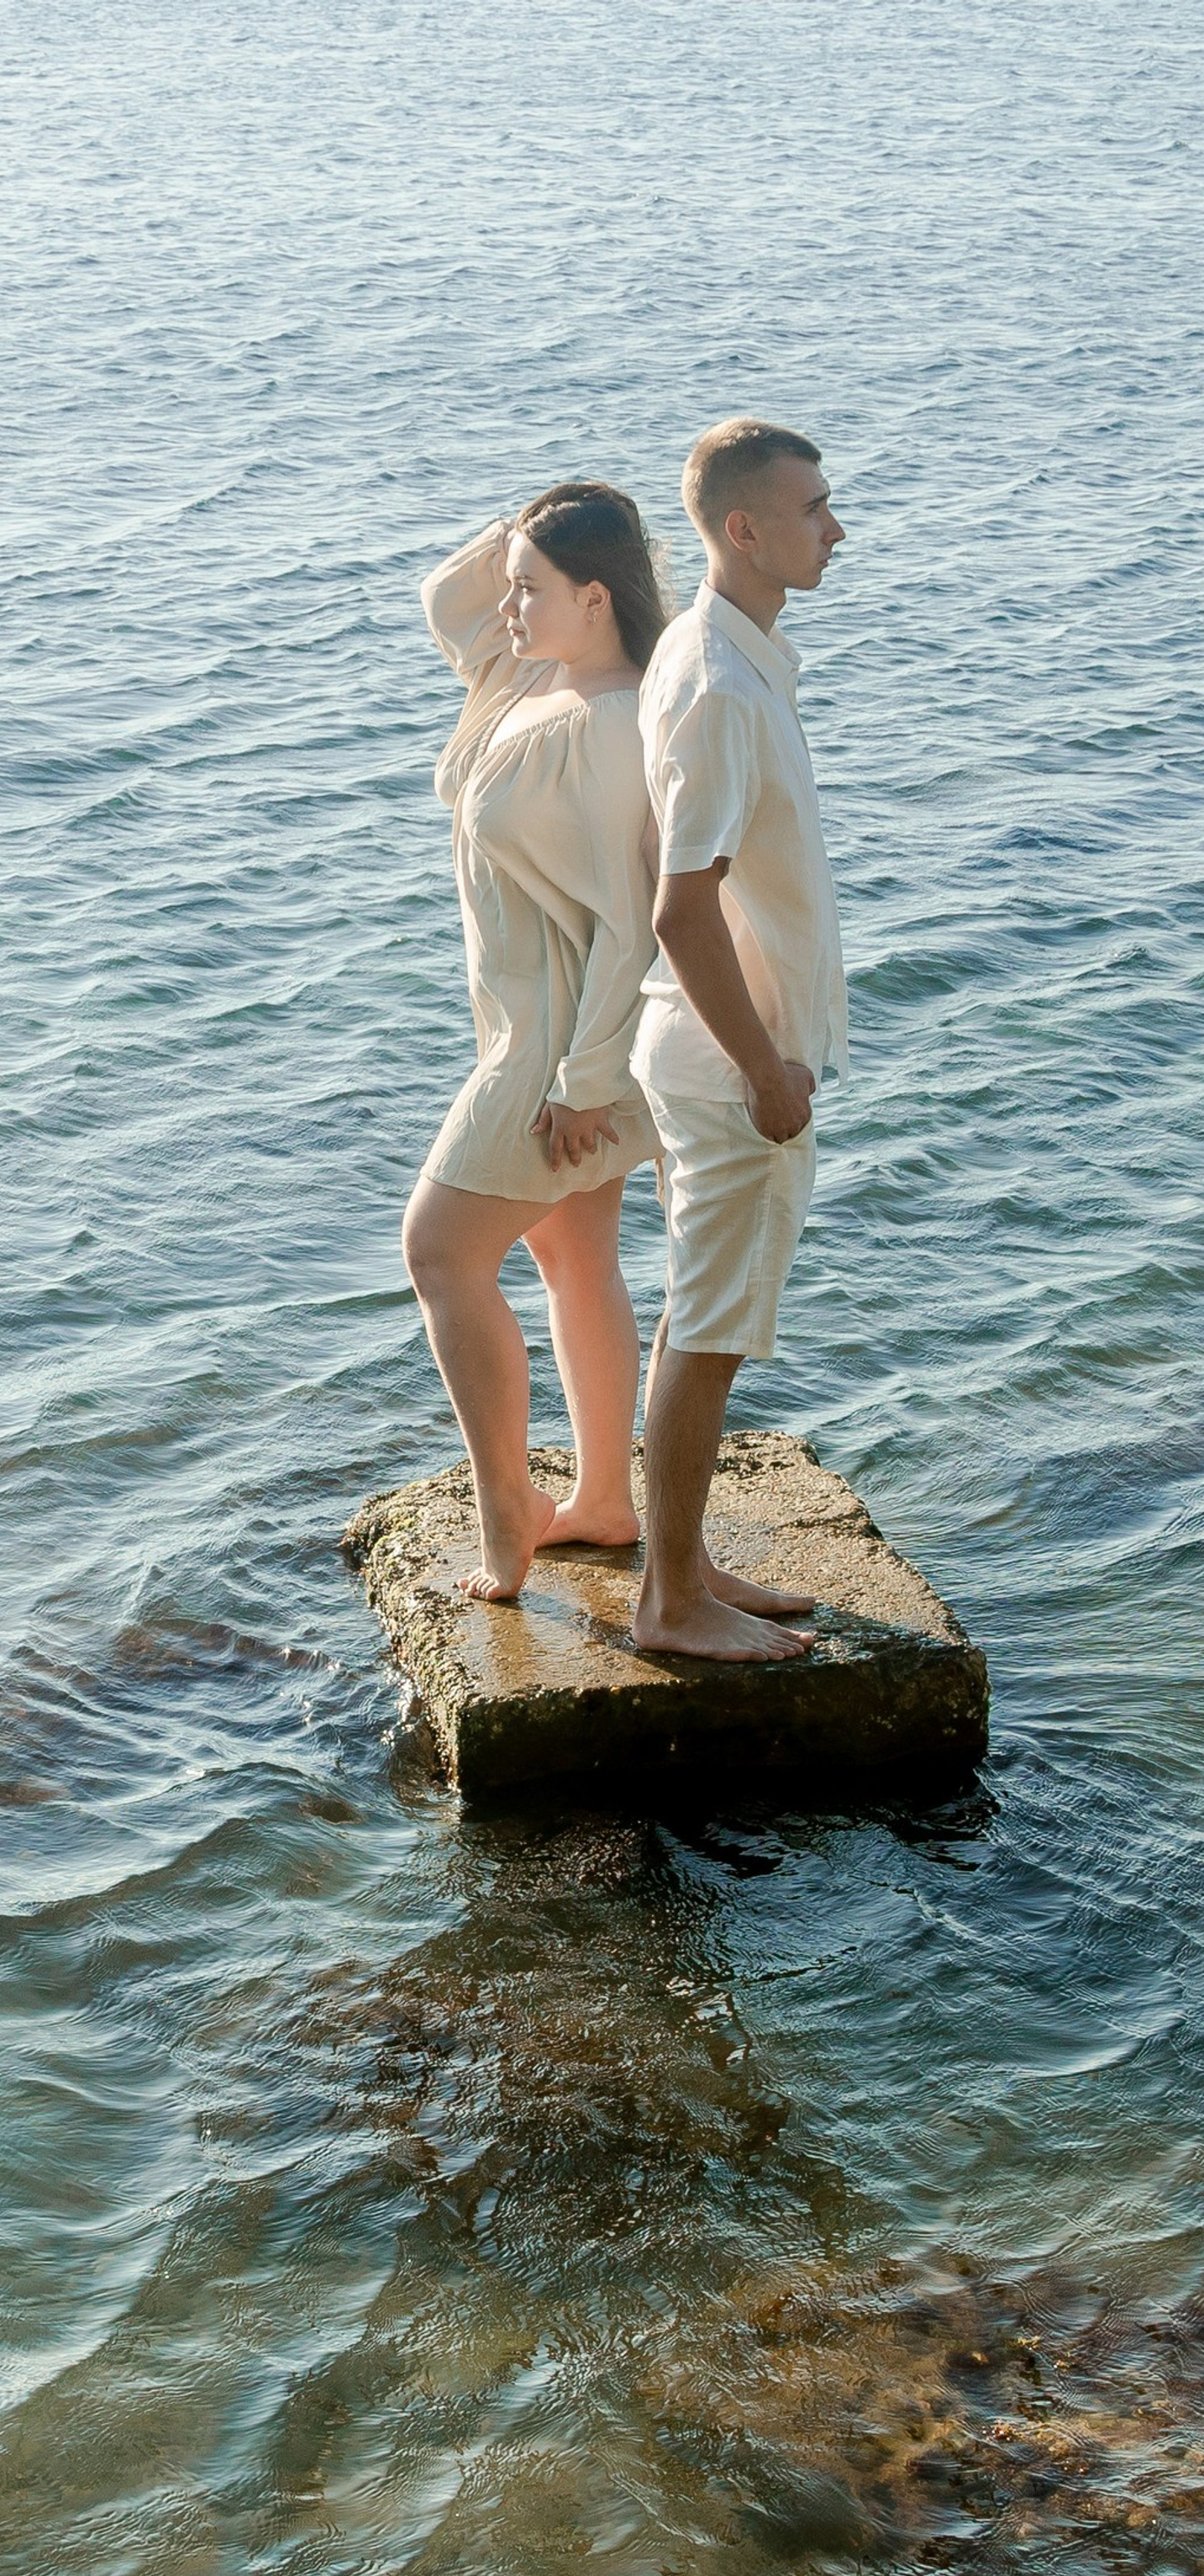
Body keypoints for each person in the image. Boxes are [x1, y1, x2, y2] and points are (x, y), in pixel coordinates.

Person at [401, 485, 668, 1602]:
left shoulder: (610, 725)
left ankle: (508, 1501)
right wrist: (545, 521)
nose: (504, 607)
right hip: (540, 1034)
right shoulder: (534, 673)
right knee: (569, 1253)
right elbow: (447, 598)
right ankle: (604, 1499)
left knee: (440, 1252)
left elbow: (632, 915)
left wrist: (584, 1085)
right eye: (512, 587)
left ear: (595, 598)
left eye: (533, 590)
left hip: (560, 1059)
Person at [629, 418, 849, 1662]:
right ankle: (669, 1607)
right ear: (743, 528)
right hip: (733, 1064)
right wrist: (767, 1068)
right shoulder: (715, 679)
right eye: (814, 508)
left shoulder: (742, 650)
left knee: (697, 1321)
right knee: (708, 1333)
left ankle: (685, 1560)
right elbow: (681, 898)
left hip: (730, 1053)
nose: (837, 529)